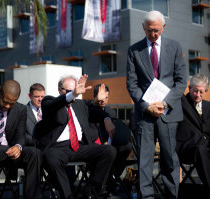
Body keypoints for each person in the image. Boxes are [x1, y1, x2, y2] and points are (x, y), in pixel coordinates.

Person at [126, 10, 187, 199]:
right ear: (143, 27)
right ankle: (146, 197)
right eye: (150, 30)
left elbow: (181, 81)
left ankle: (172, 195)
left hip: (168, 113)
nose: (154, 34)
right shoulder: (133, 50)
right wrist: (147, 106)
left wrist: (165, 103)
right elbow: (131, 84)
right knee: (144, 160)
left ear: (164, 27)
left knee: (169, 158)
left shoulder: (174, 47)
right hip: (145, 115)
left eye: (157, 30)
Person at [34, 74, 117, 199]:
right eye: (69, 91)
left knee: (109, 151)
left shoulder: (79, 105)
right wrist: (72, 94)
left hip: (79, 147)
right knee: (51, 158)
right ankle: (67, 196)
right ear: (59, 90)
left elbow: (95, 111)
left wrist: (106, 119)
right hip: (58, 148)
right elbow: (54, 104)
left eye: (76, 90)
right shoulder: (49, 102)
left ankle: (90, 191)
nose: (74, 94)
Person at [88, 84, 132, 179]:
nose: (103, 100)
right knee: (107, 150)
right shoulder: (88, 109)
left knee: (127, 146)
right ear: (95, 96)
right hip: (94, 142)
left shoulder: (111, 112)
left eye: (106, 97)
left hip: (110, 142)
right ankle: (106, 178)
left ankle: (113, 175)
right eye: (102, 97)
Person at [176, 74, 210, 190]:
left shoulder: (208, 107)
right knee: (201, 149)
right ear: (189, 88)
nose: (198, 95)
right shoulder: (182, 103)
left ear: (206, 91)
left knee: (203, 149)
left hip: (206, 147)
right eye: (195, 91)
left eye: (201, 92)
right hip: (188, 148)